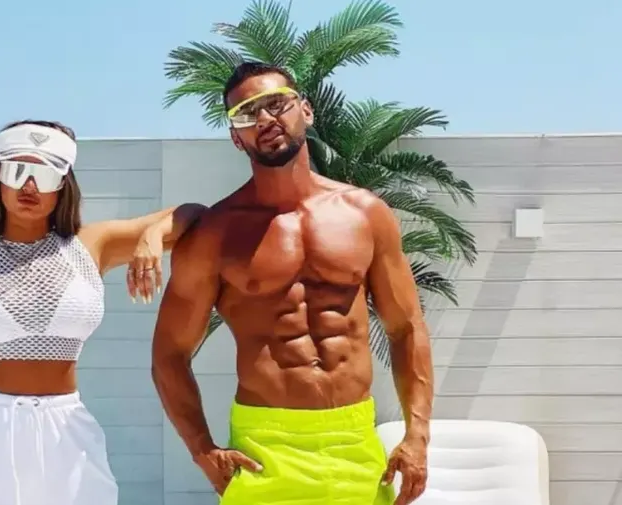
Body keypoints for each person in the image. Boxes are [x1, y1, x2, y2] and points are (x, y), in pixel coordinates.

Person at [150, 62, 434, 505]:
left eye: (275, 104)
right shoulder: (215, 234)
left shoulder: (365, 214)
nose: (264, 119)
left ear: (306, 109)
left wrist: (417, 435)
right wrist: (201, 449)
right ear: (236, 137)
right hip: (264, 448)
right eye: (246, 114)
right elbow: (169, 353)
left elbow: (406, 327)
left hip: (354, 442)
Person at [0, 119, 205, 505]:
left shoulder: (91, 245)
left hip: (66, 432)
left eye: (46, 174)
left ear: (64, 183)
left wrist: (151, 235)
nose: (29, 186)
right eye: (17, 171)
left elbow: (195, 215)